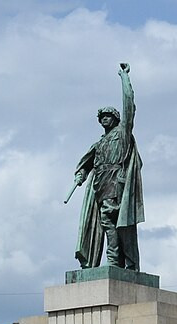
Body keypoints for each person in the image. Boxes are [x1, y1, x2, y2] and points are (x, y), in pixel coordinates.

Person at [67, 63, 144, 271]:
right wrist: (80, 175)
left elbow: (129, 105)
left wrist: (124, 78)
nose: (104, 120)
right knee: (107, 226)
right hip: (100, 188)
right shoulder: (99, 143)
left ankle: (124, 263)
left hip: (117, 185)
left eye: (108, 116)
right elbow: (86, 163)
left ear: (116, 118)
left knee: (121, 226)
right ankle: (112, 263)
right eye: (101, 118)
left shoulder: (123, 133)